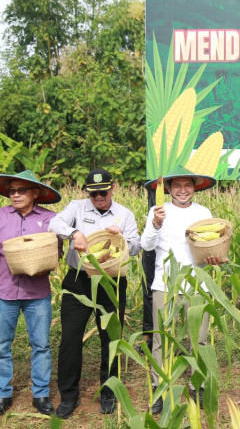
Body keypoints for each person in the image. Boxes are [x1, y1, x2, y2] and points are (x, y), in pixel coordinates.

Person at [48, 168, 141, 418]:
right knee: (70, 338)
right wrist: (74, 233)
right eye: (93, 193)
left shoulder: (124, 214)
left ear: (113, 188)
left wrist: (121, 237)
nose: (99, 197)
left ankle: (109, 391)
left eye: (103, 192)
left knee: (110, 339)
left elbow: (135, 246)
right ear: (86, 192)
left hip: (111, 282)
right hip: (78, 281)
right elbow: (54, 222)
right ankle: (69, 396)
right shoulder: (77, 207)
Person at [141, 166, 225, 415]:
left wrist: (213, 257)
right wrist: (156, 223)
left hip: (196, 283)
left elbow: (207, 243)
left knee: (198, 338)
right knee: (160, 340)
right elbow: (146, 245)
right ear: (168, 189)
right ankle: (159, 387)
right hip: (164, 284)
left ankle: (195, 384)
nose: (182, 190)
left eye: (187, 185)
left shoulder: (203, 212)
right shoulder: (158, 211)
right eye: (176, 186)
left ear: (194, 187)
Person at [0, 171, 62, 416]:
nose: (16, 194)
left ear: (35, 193)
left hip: (38, 293)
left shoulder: (51, 219)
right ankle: (1, 394)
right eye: (12, 190)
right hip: (2, 291)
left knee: (41, 345)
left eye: (22, 190)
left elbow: (58, 252)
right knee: (0, 346)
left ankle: (41, 394)